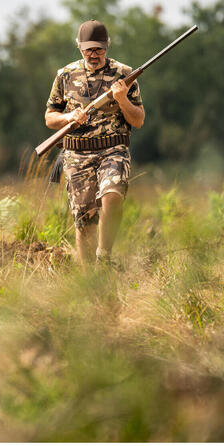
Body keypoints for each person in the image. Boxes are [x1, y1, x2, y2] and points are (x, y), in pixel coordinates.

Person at [44, 20, 145, 266]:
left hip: (113, 150)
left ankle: (105, 256)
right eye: (88, 49)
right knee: (84, 221)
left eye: (99, 49)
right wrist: (70, 117)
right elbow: (49, 118)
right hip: (77, 155)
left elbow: (139, 120)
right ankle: (90, 283)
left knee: (113, 193)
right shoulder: (65, 75)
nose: (94, 54)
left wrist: (122, 99)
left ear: (107, 46)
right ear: (79, 46)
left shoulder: (124, 74)